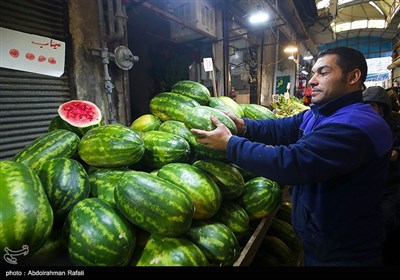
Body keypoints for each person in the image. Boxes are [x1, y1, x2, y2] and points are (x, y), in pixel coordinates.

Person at [191, 47, 393, 266]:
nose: (312, 81)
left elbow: (293, 163)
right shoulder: (322, 113)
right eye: (313, 73)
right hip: (321, 241)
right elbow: (282, 128)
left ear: (353, 77)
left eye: (323, 73)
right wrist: (244, 126)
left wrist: (230, 145)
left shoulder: (357, 125)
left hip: (346, 251)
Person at [363, 86, 400, 266]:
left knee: (387, 221)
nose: (370, 109)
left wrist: (394, 153)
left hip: (390, 183)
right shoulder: (363, 123)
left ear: (383, 106)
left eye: (374, 106)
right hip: (369, 184)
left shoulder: (397, 123)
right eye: (367, 105)